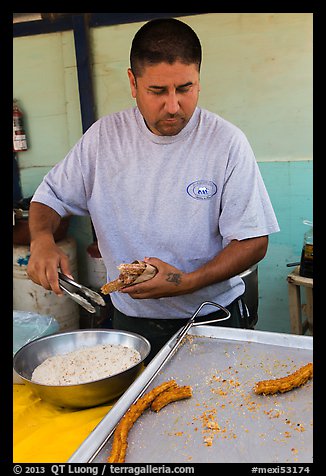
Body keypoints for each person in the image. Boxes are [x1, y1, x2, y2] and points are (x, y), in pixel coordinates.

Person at [27, 18, 279, 361]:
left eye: (185, 88)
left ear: (199, 80)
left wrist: (187, 281)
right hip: (131, 324)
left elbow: (253, 240)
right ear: (133, 82)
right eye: (158, 91)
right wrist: (41, 239)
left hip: (211, 318)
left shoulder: (226, 143)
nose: (173, 106)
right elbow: (49, 197)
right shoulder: (103, 140)